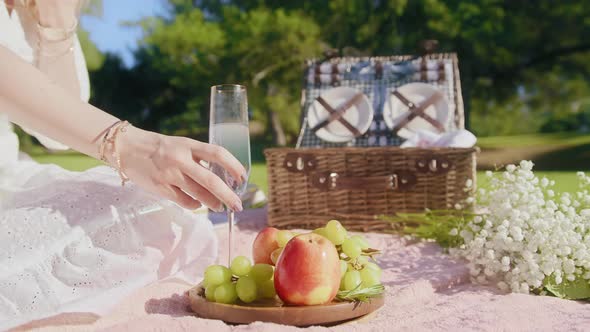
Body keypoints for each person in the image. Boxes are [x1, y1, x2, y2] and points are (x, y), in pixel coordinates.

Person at [0, 0, 243, 329]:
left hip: (9, 174)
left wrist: (55, 17)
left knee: (159, 210)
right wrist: (126, 144)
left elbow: (55, 137)